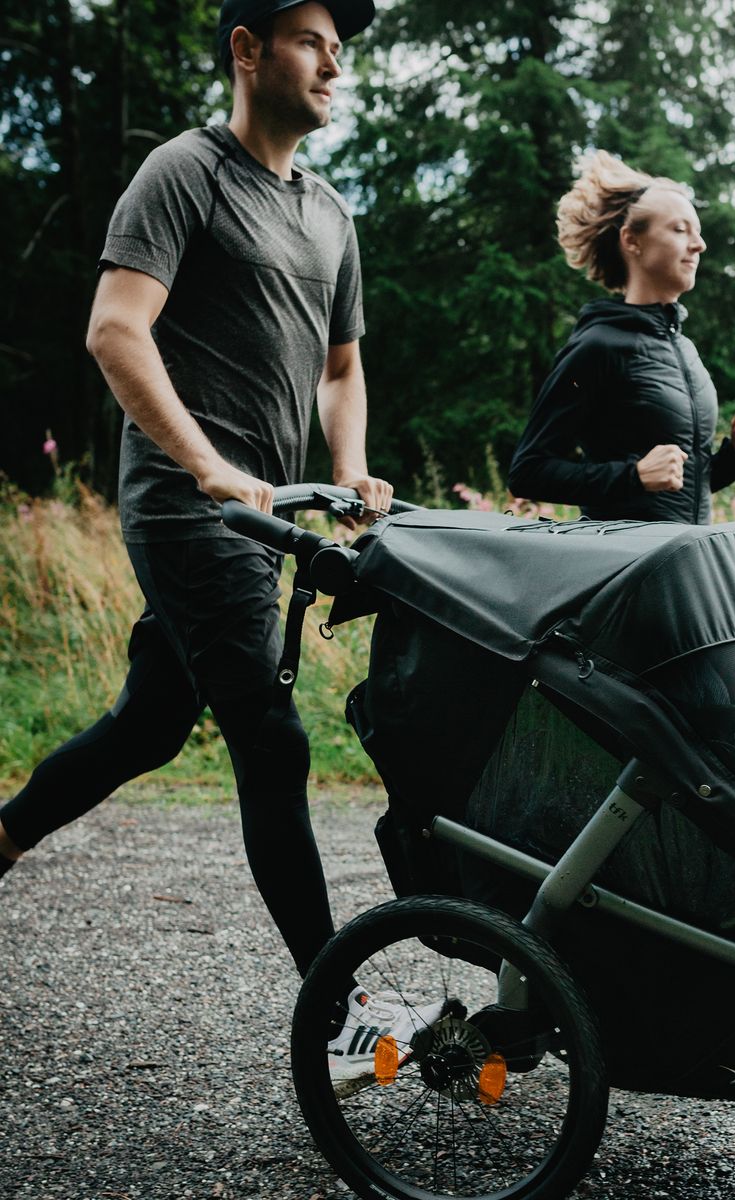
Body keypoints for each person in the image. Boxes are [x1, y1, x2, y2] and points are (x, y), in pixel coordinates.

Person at [0, 0, 438, 1079]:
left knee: (149, 725)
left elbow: (342, 368)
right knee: (272, 738)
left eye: (342, 46)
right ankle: (338, 1011)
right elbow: (115, 329)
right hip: (188, 505)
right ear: (247, 50)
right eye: (313, 39)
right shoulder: (185, 173)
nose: (335, 61)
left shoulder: (330, 212)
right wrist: (204, 463)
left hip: (263, 512)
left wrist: (350, 467)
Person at [508, 151, 735, 523]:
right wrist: (633, 476)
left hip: (685, 553)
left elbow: (679, 487)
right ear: (632, 241)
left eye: (698, 232)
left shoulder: (684, 349)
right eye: (680, 230)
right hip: (625, 557)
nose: (699, 245)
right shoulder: (597, 346)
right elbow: (528, 472)